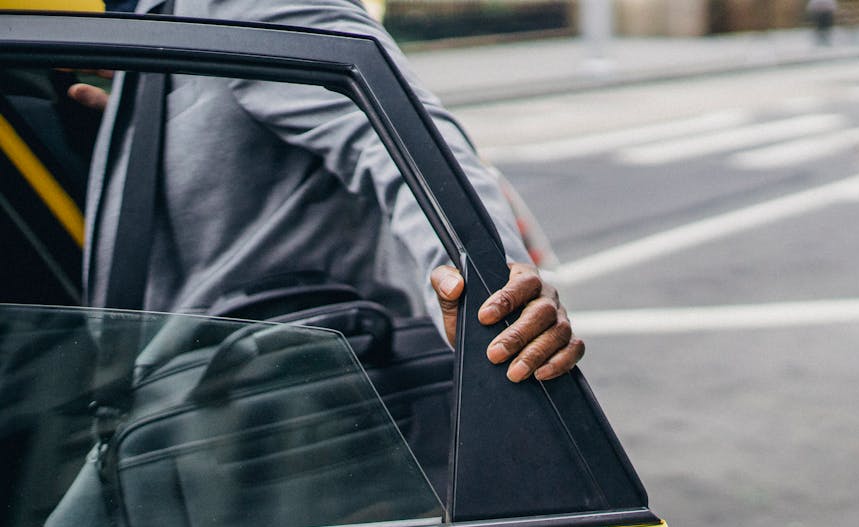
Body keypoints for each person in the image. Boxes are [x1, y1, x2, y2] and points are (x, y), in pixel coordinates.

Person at [68, 0, 583, 384]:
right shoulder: (157, 17)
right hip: (200, 398)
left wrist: (496, 294)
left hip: (280, 409)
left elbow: (399, 144)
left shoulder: (244, 4)